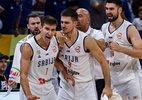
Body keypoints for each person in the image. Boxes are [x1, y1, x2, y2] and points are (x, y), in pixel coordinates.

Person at [57, 8, 112, 100]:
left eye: (66, 23)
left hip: (85, 87)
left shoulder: (86, 40)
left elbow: (103, 62)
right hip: (65, 86)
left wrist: (107, 86)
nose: (63, 25)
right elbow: (54, 59)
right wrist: (63, 72)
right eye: (62, 22)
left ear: (75, 23)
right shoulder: (57, 38)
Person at [20, 15, 74, 100]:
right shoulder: (28, 46)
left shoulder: (55, 41)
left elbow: (55, 60)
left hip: (49, 87)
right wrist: (28, 94)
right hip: (33, 87)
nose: (50, 33)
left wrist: (64, 72)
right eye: (47, 29)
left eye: (53, 30)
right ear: (41, 28)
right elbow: (23, 74)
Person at [101, 0, 142, 99]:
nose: (108, 12)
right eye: (106, 9)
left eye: (111, 9)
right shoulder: (104, 27)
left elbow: (141, 53)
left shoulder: (129, 28)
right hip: (114, 79)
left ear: (119, 10)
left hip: (131, 79)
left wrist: (122, 49)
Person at [76, 8, 105, 100]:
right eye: (75, 16)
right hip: (80, 81)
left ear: (88, 19)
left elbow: (102, 47)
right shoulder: (71, 36)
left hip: (98, 79)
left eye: (80, 16)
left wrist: (85, 38)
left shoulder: (96, 33)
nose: (77, 19)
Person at [9, 13, 41, 91]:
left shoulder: (50, 41)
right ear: (28, 26)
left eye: (38, 23)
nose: (36, 26)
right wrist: (14, 79)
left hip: (49, 82)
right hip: (29, 83)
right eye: (33, 24)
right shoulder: (22, 44)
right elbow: (17, 62)